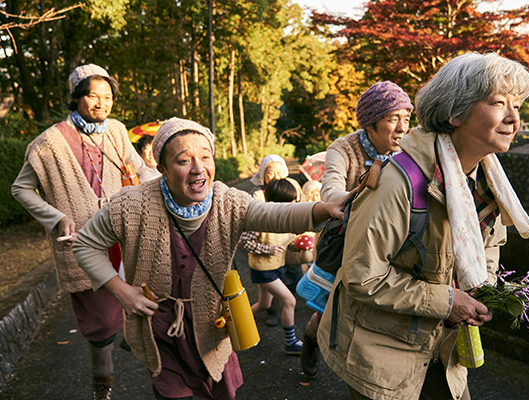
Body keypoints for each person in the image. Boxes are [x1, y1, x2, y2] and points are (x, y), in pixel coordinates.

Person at [72, 117, 345, 400]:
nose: (198, 168)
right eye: (183, 160)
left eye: (205, 156)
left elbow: (273, 215)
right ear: (162, 168)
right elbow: (85, 245)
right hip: (160, 331)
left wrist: (323, 209)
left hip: (212, 325)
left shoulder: (227, 201)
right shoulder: (131, 204)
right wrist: (122, 292)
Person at [317, 52, 529, 400]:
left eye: (518, 105)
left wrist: (483, 289)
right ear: (455, 113)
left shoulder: (487, 182)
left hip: (443, 347)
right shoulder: (397, 182)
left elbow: (489, 245)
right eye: (498, 102)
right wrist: (448, 301)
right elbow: (363, 275)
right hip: (382, 356)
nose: (513, 118)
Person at [11, 64, 154, 399]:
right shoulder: (49, 143)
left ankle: (139, 346)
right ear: (76, 97)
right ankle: (101, 387)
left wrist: (164, 187)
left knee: (148, 299)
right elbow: (21, 189)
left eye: (107, 97)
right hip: (83, 244)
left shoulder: (116, 131)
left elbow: (142, 170)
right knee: (102, 325)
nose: (101, 103)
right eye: (93, 95)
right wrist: (55, 216)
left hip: (126, 235)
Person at [301, 81, 413, 378]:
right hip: (346, 240)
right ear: (370, 124)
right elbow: (331, 193)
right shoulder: (342, 149)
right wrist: (368, 188)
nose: (402, 128)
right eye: (393, 119)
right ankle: (312, 337)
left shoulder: (411, 148)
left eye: (407, 118)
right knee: (329, 311)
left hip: (391, 243)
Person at [239, 179, 305, 355]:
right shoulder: (261, 218)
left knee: (263, 304)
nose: (293, 205)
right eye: (290, 202)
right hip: (263, 269)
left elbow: (282, 242)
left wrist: (294, 245)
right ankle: (291, 343)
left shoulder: (282, 218)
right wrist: (268, 249)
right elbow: (244, 242)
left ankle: (239, 325)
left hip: (276, 266)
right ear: (278, 201)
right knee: (289, 301)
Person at [249, 154, 306, 326]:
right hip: (267, 252)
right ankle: (275, 313)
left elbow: (301, 207)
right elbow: (247, 238)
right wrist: (268, 248)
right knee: (279, 295)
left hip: (287, 242)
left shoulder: (292, 186)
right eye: (270, 173)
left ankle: (245, 322)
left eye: (279, 172)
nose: (275, 177)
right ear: (262, 174)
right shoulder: (259, 195)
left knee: (291, 277)